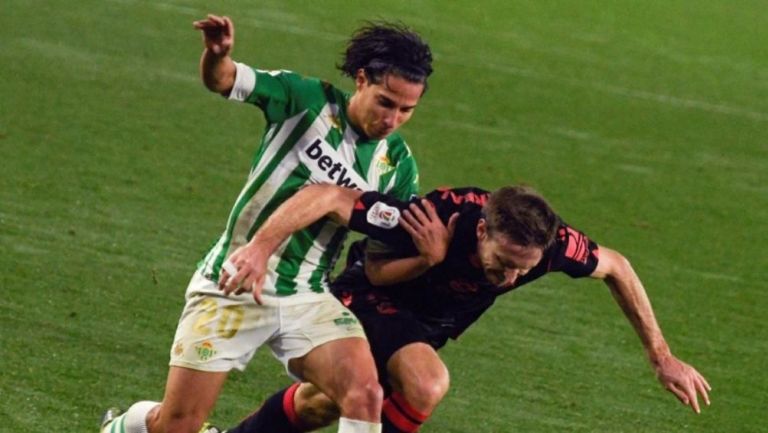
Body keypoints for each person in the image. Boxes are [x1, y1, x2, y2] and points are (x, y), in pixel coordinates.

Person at [100, 13, 433, 433]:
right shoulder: (304, 99)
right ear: (363, 80)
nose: (392, 119)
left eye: (407, 110)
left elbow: (380, 258)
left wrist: (427, 256)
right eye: (386, 102)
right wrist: (217, 55)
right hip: (233, 283)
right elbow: (224, 81)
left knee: (365, 394)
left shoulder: (398, 166)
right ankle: (124, 426)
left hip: (306, 295)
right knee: (177, 424)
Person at [208, 183, 711, 433]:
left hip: (427, 323)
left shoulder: (553, 245)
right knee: (427, 382)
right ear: (480, 231)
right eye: (503, 263)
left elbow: (618, 266)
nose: (511, 277)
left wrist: (660, 355)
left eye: (524, 269)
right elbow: (328, 199)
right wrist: (260, 247)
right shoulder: (433, 214)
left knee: (328, 402)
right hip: (366, 295)